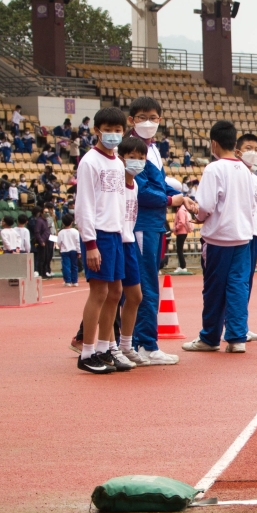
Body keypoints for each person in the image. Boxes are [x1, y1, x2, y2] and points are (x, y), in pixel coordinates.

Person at [126, 97, 196, 366]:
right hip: (142, 224)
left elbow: (158, 184)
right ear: (131, 120)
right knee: (145, 285)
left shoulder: (153, 149)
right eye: (142, 117)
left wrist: (181, 197)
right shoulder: (133, 150)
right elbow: (141, 190)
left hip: (154, 224)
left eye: (153, 118)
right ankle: (145, 344)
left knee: (145, 283)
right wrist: (170, 200)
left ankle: (134, 342)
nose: (148, 122)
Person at [182, 121, 254, 355]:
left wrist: (198, 216)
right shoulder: (245, 170)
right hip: (242, 238)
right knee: (238, 287)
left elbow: (206, 205)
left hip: (218, 239)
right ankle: (237, 338)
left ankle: (210, 337)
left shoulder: (214, 169)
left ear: (214, 143)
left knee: (214, 289)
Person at [74, 106, 130, 374]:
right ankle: (86, 352)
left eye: (118, 130)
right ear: (97, 130)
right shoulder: (90, 162)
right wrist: (90, 243)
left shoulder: (118, 162)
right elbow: (84, 204)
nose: (113, 135)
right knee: (99, 292)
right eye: (108, 130)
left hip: (116, 234)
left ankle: (105, 348)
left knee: (116, 293)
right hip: (99, 234)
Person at [113, 136, 147, 367]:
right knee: (111, 296)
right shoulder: (116, 184)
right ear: (121, 158)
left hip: (129, 242)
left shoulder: (134, 185)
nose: (136, 161)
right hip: (115, 240)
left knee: (135, 296)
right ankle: (109, 346)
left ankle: (126, 345)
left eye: (141, 158)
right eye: (131, 157)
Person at [235, 132, 257, 340]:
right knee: (238, 281)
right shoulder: (233, 175)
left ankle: (241, 324)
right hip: (240, 234)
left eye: (256, 150)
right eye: (248, 149)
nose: (253, 153)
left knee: (247, 281)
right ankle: (232, 325)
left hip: (255, 235)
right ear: (238, 151)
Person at [57, 213, 81, 286]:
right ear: (72, 222)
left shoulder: (61, 233)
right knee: (74, 266)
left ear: (63, 223)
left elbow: (59, 243)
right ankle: (75, 281)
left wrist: (61, 248)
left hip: (64, 251)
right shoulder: (75, 231)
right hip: (74, 250)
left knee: (66, 266)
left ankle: (67, 281)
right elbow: (78, 242)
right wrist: (79, 251)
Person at [172, 202, 193, 274]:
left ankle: (183, 266)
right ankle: (182, 266)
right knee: (179, 250)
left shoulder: (180, 211)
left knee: (179, 250)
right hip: (182, 232)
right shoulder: (183, 210)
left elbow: (182, 222)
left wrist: (175, 228)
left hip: (181, 232)